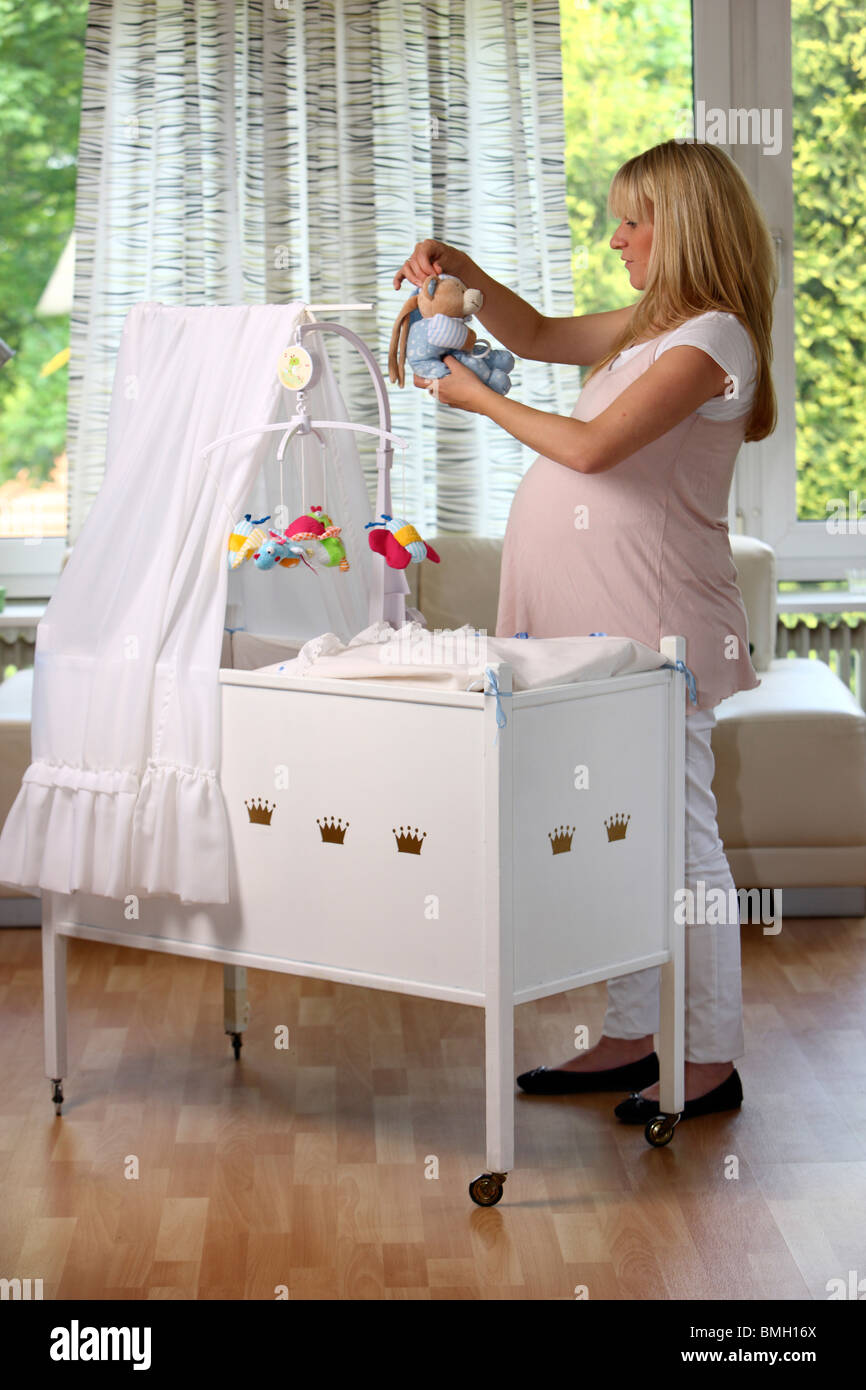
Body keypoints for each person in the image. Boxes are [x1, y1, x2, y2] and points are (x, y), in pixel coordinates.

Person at [393, 139, 777, 1124]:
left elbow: (594, 448)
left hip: (653, 626)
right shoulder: (654, 327)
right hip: (584, 621)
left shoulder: (714, 338)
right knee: (607, 830)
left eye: (630, 220)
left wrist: (471, 396)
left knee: (679, 842)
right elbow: (535, 332)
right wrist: (464, 271)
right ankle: (626, 1031)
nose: (613, 239)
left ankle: (706, 1056)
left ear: (681, 226)